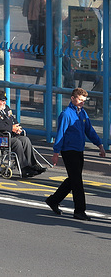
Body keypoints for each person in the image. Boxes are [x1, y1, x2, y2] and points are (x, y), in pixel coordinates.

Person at [46, 88, 106, 221]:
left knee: (74, 179)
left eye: (83, 101)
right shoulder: (66, 114)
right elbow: (60, 134)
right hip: (68, 150)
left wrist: (99, 145)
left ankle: (53, 200)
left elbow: (89, 130)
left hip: (79, 149)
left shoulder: (82, 113)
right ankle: (79, 211)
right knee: (77, 182)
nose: (81, 103)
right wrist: (56, 152)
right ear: (72, 98)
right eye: (79, 100)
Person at [0, 90, 45, 178]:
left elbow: (13, 119)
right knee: (16, 142)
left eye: (5, 100)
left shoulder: (6, 108)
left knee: (25, 140)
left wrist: (17, 127)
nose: (4, 102)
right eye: (2, 100)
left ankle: (33, 165)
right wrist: (11, 128)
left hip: (7, 135)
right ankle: (24, 168)